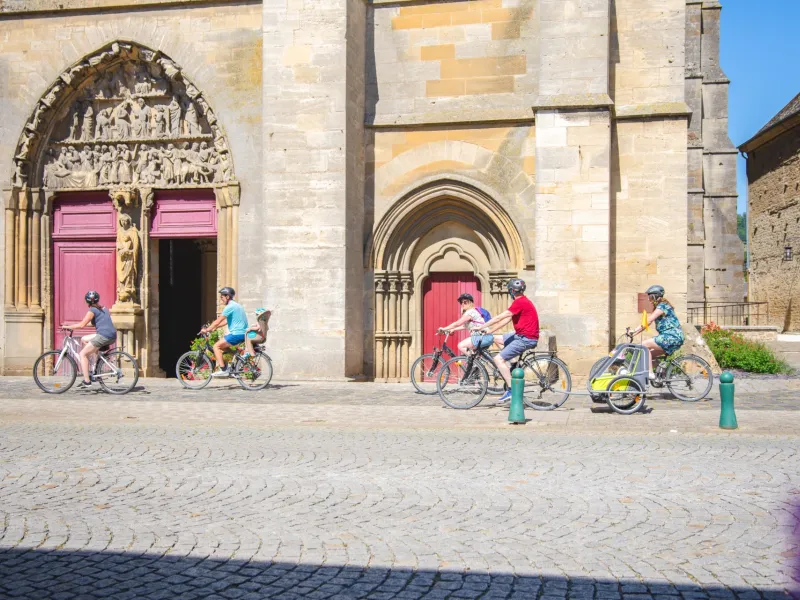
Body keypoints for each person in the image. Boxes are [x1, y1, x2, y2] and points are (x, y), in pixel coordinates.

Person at [479, 279, 539, 403]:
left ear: (511, 291)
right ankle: (513, 364)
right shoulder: (523, 301)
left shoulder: (520, 302)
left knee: (498, 359)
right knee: (496, 338)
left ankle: (512, 389)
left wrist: (481, 327)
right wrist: (489, 332)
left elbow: (500, 317)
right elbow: (504, 321)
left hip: (525, 339)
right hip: (521, 335)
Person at [63, 290, 117, 389]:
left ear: (87, 301)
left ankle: (87, 381)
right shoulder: (103, 309)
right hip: (111, 335)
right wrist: (75, 326)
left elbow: (82, 325)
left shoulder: (92, 310)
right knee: (84, 339)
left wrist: (69, 326)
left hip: (103, 336)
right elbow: (93, 323)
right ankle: (95, 366)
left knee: (83, 354)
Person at [630, 285, 684, 378]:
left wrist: (634, 331)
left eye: (650, 296)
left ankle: (650, 373)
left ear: (656, 296)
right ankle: (665, 373)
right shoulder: (660, 306)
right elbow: (647, 323)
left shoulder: (662, 306)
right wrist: (634, 333)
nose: (648, 299)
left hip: (672, 337)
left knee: (643, 345)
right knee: (648, 354)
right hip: (670, 337)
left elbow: (649, 320)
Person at [201, 287, 248, 378]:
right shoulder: (236, 305)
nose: (221, 299)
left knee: (216, 346)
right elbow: (226, 321)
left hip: (236, 334)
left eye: (222, 297)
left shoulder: (229, 307)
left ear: (227, 296)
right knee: (222, 347)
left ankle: (223, 370)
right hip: (242, 333)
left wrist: (207, 330)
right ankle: (237, 355)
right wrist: (214, 327)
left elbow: (218, 320)